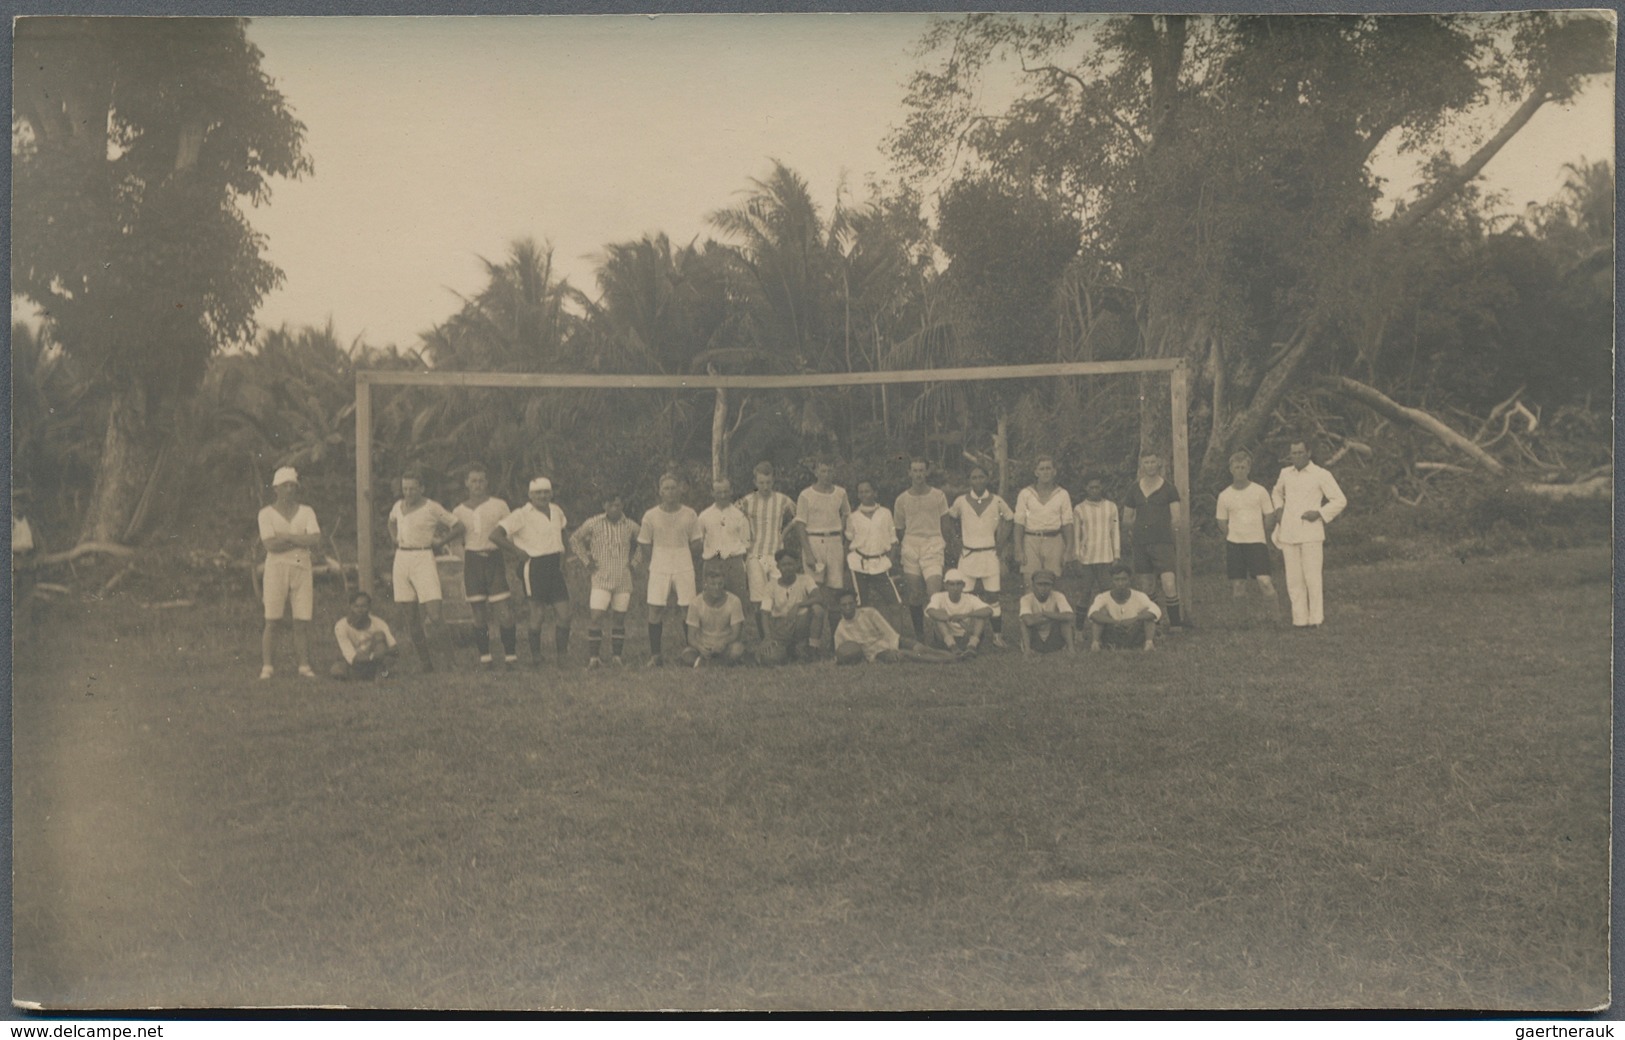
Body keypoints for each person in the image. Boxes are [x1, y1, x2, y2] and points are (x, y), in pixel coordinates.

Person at [490, 476, 572, 667]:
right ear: (530, 495)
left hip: (554, 565)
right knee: (538, 613)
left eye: (546, 492)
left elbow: (563, 531)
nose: (542, 496)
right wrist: (517, 551)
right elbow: (495, 535)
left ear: (551, 493)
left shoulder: (556, 510)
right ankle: (536, 656)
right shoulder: (521, 514)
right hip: (534, 566)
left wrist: (564, 556)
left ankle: (562, 656)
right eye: (538, 493)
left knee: (565, 613)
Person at [387, 470, 462, 673]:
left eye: (412, 488)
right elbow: (391, 522)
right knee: (411, 616)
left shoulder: (432, 507)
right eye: (405, 489)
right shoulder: (397, 506)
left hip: (423, 558)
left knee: (435, 614)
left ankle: (451, 662)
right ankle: (425, 663)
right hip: (402, 559)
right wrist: (394, 538)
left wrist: (441, 541)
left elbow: (458, 525)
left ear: (422, 488)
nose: (408, 493)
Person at [1270, 440, 1347, 629]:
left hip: (1310, 532)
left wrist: (1319, 513)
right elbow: (1276, 492)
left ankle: (1316, 619)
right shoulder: (1285, 473)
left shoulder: (1321, 474)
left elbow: (1340, 500)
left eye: (1300, 452)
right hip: (1288, 532)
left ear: (1308, 453)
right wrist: (1279, 510)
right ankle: (1299, 619)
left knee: (1312, 577)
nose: (1296, 457)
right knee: (1294, 579)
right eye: (1293, 453)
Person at [259, 466, 321, 679]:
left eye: (292, 486)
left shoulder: (307, 511)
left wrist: (286, 537)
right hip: (276, 569)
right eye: (284, 486)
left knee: (301, 619)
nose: (289, 490)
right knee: (272, 619)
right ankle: (267, 667)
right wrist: (299, 540)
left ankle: (303, 666)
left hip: (302, 568)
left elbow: (314, 539)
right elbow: (270, 545)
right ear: (276, 489)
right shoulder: (265, 514)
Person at [634, 473, 702, 666]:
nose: (670, 492)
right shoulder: (650, 515)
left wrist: (684, 556)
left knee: (687, 609)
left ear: (680, 489)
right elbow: (645, 544)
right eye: (666, 488)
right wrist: (658, 558)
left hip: (683, 561)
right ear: (660, 491)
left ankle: (691, 653)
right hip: (659, 562)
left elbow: (696, 542)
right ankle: (655, 656)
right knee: (655, 608)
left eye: (674, 488)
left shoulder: (690, 514)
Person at [453, 464, 517, 668]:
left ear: (487, 483)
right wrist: (465, 557)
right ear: (466, 484)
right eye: (473, 481)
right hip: (472, 561)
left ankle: (510, 657)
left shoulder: (499, 505)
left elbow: (510, 532)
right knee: (478, 613)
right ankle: (485, 658)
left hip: (494, 559)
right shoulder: (459, 510)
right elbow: (457, 540)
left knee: (504, 612)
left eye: (481, 480)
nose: (477, 485)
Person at [945, 464, 1013, 647]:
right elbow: (950, 518)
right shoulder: (961, 501)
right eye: (974, 477)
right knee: (964, 596)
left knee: (992, 598)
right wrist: (955, 540)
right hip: (968, 555)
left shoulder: (997, 500)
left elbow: (1009, 518)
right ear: (969, 480)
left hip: (989, 555)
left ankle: (997, 636)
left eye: (981, 477)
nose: (978, 481)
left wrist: (1001, 543)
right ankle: (966, 635)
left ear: (987, 478)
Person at [570, 492, 640, 667]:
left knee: (619, 618)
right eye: (611, 505)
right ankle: (594, 658)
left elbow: (645, 542)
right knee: (596, 616)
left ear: (622, 505)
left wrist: (635, 563)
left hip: (623, 578)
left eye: (618, 504)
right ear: (604, 506)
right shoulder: (594, 523)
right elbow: (574, 540)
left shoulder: (630, 525)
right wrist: (587, 561)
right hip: (601, 577)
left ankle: (617, 657)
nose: (614, 508)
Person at [1215, 449, 1283, 622]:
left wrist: (1261, 533)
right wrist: (1232, 534)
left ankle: (1275, 620)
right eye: (1236, 467)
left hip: (1256, 544)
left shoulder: (1259, 491)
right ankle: (1241, 622)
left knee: (1265, 582)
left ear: (1249, 469)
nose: (1240, 471)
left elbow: (1269, 515)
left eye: (1243, 467)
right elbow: (1221, 521)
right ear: (1230, 469)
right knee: (1238, 585)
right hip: (1235, 545)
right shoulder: (1224, 495)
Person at [1123, 453, 1187, 630]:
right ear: (1142, 465)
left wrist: (1169, 535)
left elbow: (1176, 518)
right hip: (1141, 543)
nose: (1150, 466)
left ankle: (1175, 624)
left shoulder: (1169, 489)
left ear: (1159, 464)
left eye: (1153, 462)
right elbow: (1127, 517)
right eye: (1146, 462)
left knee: (1168, 583)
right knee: (1146, 585)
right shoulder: (1134, 489)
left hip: (1162, 542)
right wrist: (1135, 530)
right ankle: (1154, 624)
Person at [740, 461, 799, 641]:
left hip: (776, 555)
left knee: (779, 596)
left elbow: (799, 516)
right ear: (755, 482)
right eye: (761, 482)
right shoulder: (747, 501)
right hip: (755, 555)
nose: (765, 486)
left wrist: (784, 532)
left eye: (768, 482)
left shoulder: (782, 499)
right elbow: (731, 519)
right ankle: (763, 638)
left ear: (773, 480)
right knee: (759, 599)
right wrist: (744, 539)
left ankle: (781, 636)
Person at [893, 457, 950, 641]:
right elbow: (900, 528)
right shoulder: (902, 499)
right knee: (915, 594)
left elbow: (945, 524)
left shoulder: (938, 496)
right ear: (909, 473)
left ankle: (938, 634)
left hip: (933, 544)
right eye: (914, 470)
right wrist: (908, 546)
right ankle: (919, 634)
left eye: (921, 470)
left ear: (927, 472)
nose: (918, 474)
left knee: (934, 593)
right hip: (911, 546)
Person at [833, 590, 961, 665]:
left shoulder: (869, 613)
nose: (848, 607)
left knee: (921, 648)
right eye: (844, 605)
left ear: (856, 603)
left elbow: (888, 631)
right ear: (839, 607)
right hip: (877, 653)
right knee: (907, 655)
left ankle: (955, 656)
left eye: (850, 603)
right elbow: (840, 653)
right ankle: (946, 661)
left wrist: (895, 644)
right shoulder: (841, 629)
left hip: (892, 641)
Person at [1014, 455, 1075, 591]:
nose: (1045, 472)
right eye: (1042, 469)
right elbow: (1019, 523)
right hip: (1031, 539)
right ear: (1036, 472)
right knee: (1030, 581)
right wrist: (1019, 549)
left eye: (1049, 468)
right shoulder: (1026, 494)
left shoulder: (1062, 494)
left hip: (1054, 540)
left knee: (1053, 581)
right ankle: (1030, 612)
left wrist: (1069, 549)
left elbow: (1067, 523)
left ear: (1054, 471)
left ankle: (1051, 612)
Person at [845, 478, 902, 620]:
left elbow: (893, 539)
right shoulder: (853, 517)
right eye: (861, 492)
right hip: (859, 564)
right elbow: (848, 541)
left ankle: (896, 639)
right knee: (862, 605)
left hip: (880, 564)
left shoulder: (885, 513)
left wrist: (890, 559)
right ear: (858, 495)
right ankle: (864, 637)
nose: (864, 495)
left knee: (895, 604)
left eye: (868, 491)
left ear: (875, 493)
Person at [695, 477, 753, 615]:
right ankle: (712, 634)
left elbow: (746, 543)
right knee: (710, 602)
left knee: (738, 603)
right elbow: (699, 541)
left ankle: (736, 635)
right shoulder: (704, 516)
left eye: (726, 491)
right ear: (712, 493)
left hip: (734, 563)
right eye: (719, 492)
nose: (723, 495)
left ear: (731, 491)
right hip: (712, 562)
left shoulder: (739, 516)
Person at [758, 550, 825, 664]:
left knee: (817, 609)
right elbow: (764, 613)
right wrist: (767, 637)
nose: (787, 568)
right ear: (778, 566)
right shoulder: (771, 586)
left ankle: (812, 649)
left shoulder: (805, 579)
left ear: (796, 565)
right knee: (772, 658)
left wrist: (798, 605)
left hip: (800, 624)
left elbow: (819, 597)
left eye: (790, 564)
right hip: (780, 628)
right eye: (784, 564)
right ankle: (791, 649)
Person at [1070, 476, 1120, 628]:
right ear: (1086, 488)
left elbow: (1115, 532)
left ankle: (1112, 626)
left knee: (1108, 593)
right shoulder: (1079, 509)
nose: (1094, 490)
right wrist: (1077, 556)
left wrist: (1116, 554)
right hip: (1087, 559)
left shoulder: (1111, 507)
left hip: (1106, 558)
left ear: (1102, 487)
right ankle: (1078, 629)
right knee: (1085, 594)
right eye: (1091, 487)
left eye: (1097, 487)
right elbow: (1076, 535)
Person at [680, 565, 747, 667]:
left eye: (720, 584)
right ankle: (719, 663)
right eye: (712, 584)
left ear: (724, 583)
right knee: (686, 654)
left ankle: (706, 663)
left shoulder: (734, 601)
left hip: (725, 645)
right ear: (705, 584)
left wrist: (723, 644)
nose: (717, 588)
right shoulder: (696, 603)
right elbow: (691, 637)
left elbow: (736, 633)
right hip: (704, 645)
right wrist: (700, 647)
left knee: (737, 650)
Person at [1088, 563, 1160, 652]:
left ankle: (1149, 644)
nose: (1120, 583)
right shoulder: (1102, 597)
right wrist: (1115, 622)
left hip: (1133, 633)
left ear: (1129, 580)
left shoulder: (1140, 596)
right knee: (1101, 612)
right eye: (1117, 580)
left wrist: (1134, 619)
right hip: (1113, 633)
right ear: (1111, 581)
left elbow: (1156, 611)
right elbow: (1092, 614)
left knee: (1147, 613)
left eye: (1124, 579)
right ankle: (1096, 644)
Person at [329, 590, 399, 680]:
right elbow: (352, 658)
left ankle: (379, 673)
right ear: (350, 607)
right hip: (358, 663)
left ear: (369, 608)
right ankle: (374, 675)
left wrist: (381, 653)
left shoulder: (379, 623)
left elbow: (394, 648)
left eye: (364, 606)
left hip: (376, 660)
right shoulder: (341, 626)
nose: (360, 610)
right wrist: (373, 656)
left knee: (379, 635)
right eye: (356, 606)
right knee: (337, 670)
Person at [924, 568, 993, 656]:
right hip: (944, 637)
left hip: (966, 635)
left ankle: (972, 646)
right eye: (952, 584)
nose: (955, 588)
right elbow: (930, 611)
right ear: (946, 586)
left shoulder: (970, 598)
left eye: (958, 584)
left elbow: (989, 610)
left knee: (980, 615)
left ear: (963, 585)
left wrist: (966, 615)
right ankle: (952, 646)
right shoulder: (938, 597)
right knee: (939, 614)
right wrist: (950, 617)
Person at [1019, 570, 1076, 654]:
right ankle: (1027, 650)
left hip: (1054, 636)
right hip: (1035, 638)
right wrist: (1054, 617)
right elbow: (1028, 621)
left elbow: (1070, 616)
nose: (1043, 588)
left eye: (1047, 584)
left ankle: (1071, 650)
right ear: (1033, 586)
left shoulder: (1058, 596)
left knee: (1065, 622)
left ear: (1052, 586)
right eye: (1040, 584)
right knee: (1023, 624)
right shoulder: (1026, 599)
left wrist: (1045, 614)